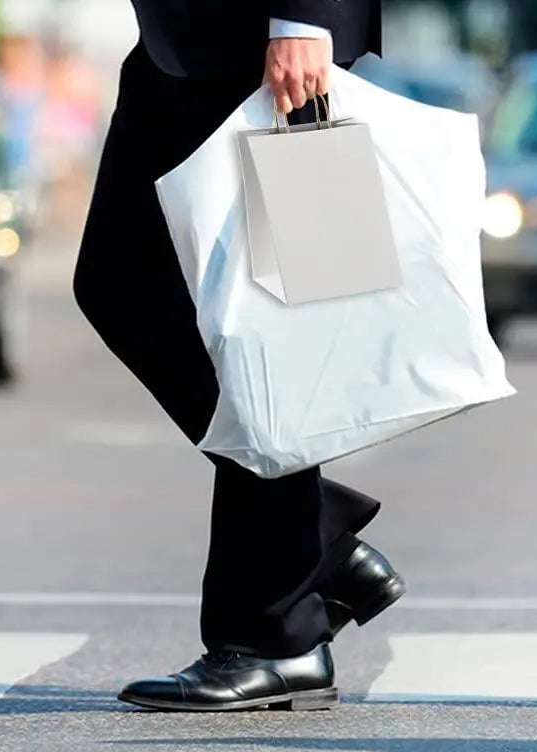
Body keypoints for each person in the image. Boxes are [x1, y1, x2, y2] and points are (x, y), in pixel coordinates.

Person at [71, 0, 402, 712]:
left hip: (265, 46)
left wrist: (304, 17)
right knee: (117, 284)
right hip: (186, 41)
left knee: (270, 328)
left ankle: (278, 636)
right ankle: (308, 538)